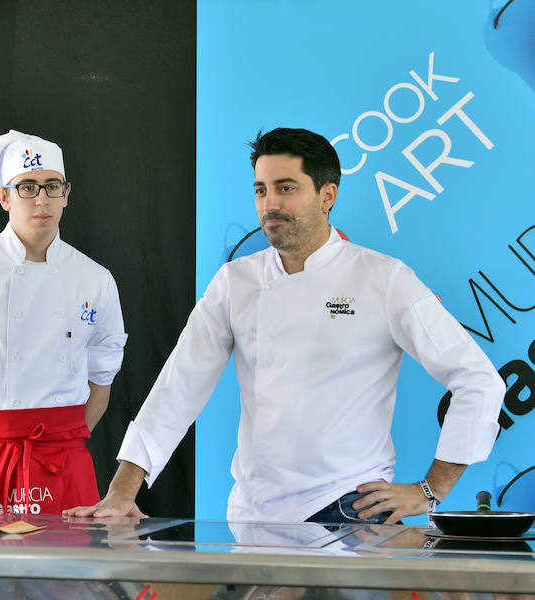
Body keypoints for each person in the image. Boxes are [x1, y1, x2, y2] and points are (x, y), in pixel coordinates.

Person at [65, 127, 504, 525]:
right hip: (252, 512)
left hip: (351, 510)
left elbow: (479, 380)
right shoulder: (236, 281)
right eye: (261, 190)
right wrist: (122, 490)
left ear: (327, 195)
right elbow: (179, 386)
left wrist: (431, 490)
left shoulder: (384, 278)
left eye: (286, 188)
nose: (269, 204)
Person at [0, 130, 127, 525]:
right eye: (27, 187)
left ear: (67, 193)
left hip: (62, 461)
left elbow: (101, 385)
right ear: (4, 197)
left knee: (65, 584)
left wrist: (63, 441)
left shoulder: (95, 280)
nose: (42, 200)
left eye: (52, 186)